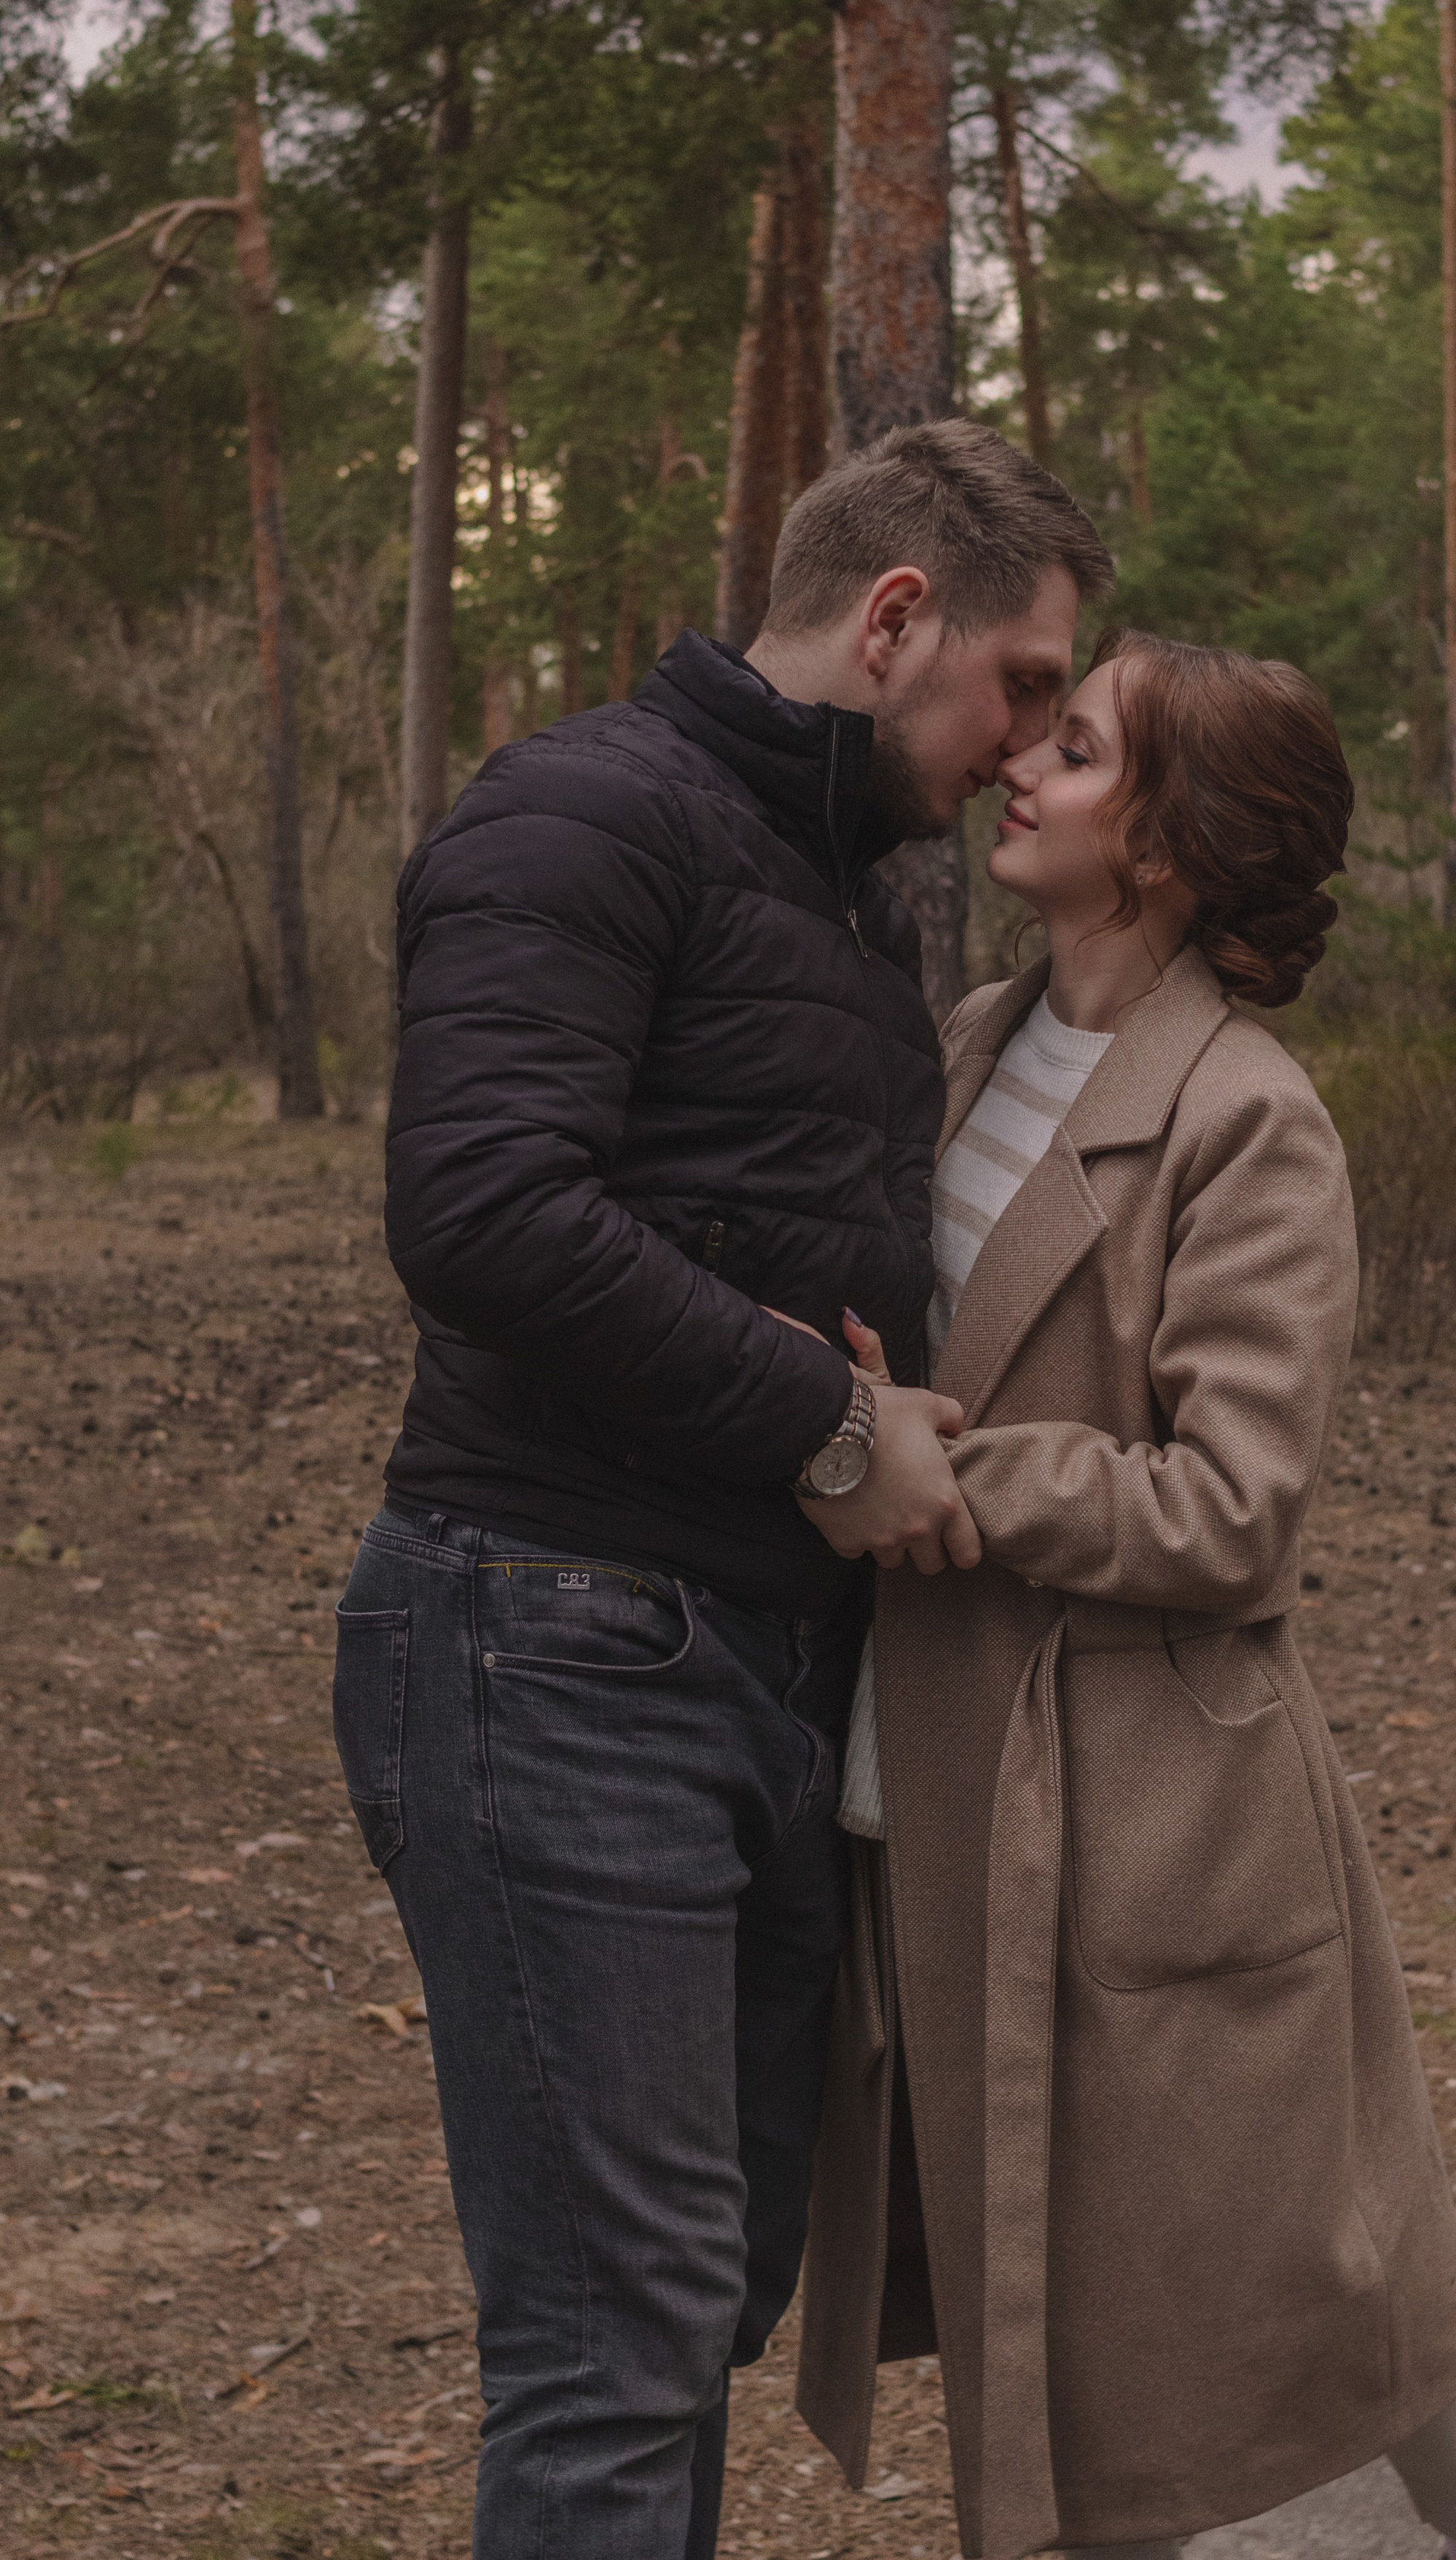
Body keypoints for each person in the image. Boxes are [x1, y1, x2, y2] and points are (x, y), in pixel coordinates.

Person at [329, 420, 1113, 2560]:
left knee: (706, 2288)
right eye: (1025, 684)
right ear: (891, 624)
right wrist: (834, 1433)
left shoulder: (851, 908)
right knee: (620, 2338)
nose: (1028, 744)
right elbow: (481, 1207)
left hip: (751, 1672)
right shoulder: (588, 811)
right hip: (550, 1636)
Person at [794, 633, 1456, 2560]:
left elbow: (1237, 1514)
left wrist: (934, 1467)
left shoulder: (1253, 1121)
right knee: (1079, 2311)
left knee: (1241, 2271)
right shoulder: (971, 1036)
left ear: (1165, 843)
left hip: (1146, 1798)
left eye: (1074, 751)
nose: (1016, 770)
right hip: (950, 1768)